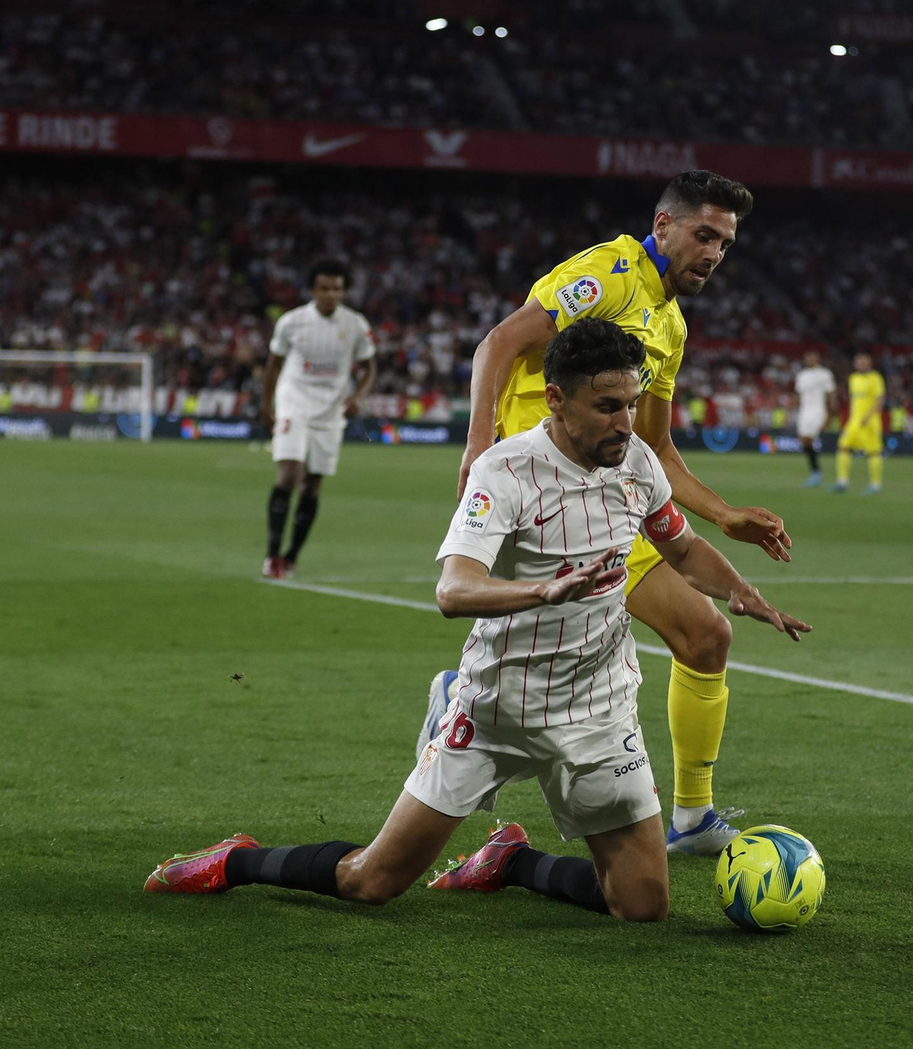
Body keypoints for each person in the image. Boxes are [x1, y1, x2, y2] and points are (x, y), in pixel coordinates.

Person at [144, 318, 809, 921]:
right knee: (372, 881)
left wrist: (739, 590)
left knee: (640, 904)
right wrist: (543, 592)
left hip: (603, 709)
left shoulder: (635, 464)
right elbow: (454, 589)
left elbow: (681, 546)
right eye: (608, 405)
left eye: (632, 403)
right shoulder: (506, 471)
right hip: (499, 706)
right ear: (557, 399)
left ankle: (507, 861)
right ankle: (235, 859)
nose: (626, 422)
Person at [436, 169, 794, 856]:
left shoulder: (671, 323)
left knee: (705, 636)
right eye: (704, 235)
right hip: (538, 491)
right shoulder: (608, 277)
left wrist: (722, 515)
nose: (715, 254)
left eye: (725, 243)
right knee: (554, 667)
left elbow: (653, 443)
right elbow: (499, 343)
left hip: (606, 498)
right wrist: (480, 445)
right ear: (663, 226)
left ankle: (691, 817)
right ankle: (458, 704)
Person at [259, 258, 377, 579]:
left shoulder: (354, 324)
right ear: (312, 290)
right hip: (293, 403)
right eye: (324, 288)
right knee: (288, 475)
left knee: (312, 485)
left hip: (330, 411)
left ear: (344, 291)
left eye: (337, 289)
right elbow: (273, 364)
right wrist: (266, 406)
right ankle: (272, 556)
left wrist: (358, 397)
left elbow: (369, 367)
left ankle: (291, 556)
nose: (330, 294)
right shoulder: (292, 322)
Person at [832, 353, 886, 493]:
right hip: (854, 421)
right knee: (843, 447)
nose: (860, 364)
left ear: (869, 363)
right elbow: (854, 401)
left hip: (870, 421)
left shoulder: (875, 378)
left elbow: (879, 399)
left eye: (863, 362)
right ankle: (842, 482)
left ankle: (875, 485)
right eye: (858, 362)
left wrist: (868, 416)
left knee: (873, 452)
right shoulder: (853, 378)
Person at [793, 350, 837, 486]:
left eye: (812, 356)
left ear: (817, 359)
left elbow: (831, 394)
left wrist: (831, 414)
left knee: (808, 439)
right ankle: (816, 471)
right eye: (808, 357)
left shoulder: (824, 374)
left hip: (818, 410)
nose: (810, 359)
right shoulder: (802, 375)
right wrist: (797, 409)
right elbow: (799, 395)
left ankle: (816, 473)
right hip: (804, 411)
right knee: (803, 441)